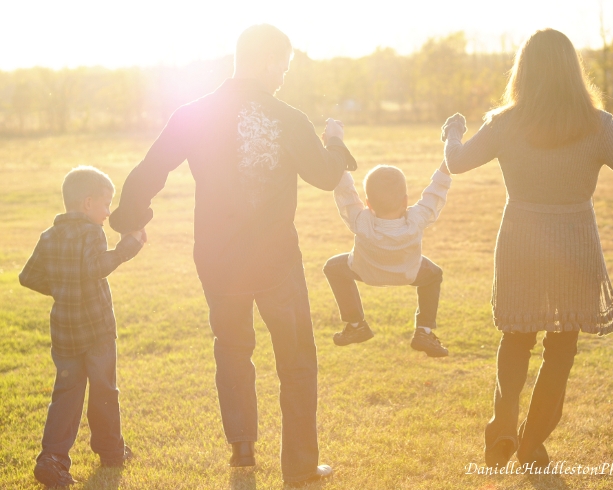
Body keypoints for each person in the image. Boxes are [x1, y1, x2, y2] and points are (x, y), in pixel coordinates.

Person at [442, 28, 613, 469]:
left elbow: (456, 162)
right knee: (560, 348)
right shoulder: (597, 125)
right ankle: (531, 443)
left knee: (516, 337)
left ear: (524, 70)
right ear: (573, 69)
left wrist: (453, 130)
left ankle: (503, 430)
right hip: (574, 245)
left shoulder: (505, 123)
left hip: (521, 240)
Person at [108, 24, 357, 486]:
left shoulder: (194, 113)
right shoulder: (288, 118)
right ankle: (301, 466)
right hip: (276, 263)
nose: (284, 74)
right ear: (265, 60)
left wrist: (129, 218)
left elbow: (151, 169)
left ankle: (242, 451)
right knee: (297, 360)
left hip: (218, 261)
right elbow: (325, 175)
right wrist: (336, 143)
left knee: (233, 349)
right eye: (282, 64)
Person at [19, 166, 146, 487]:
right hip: (98, 329)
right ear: (88, 203)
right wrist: (127, 248)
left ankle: (52, 457)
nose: (107, 213)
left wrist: (62, 286)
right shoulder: (92, 232)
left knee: (66, 393)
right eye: (106, 204)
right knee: (105, 389)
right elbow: (95, 267)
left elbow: (28, 277)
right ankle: (111, 451)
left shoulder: (48, 236)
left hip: (64, 332)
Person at [324, 160, 452, 357]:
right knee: (434, 275)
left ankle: (356, 324)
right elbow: (434, 195)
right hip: (410, 274)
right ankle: (424, 331)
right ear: (405, 201)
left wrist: (338, 158)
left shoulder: (361, 220)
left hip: (365, 272)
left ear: (367, 203)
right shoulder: (417, 219)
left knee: (332, 267)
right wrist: (445, 167)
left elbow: (346, 195)